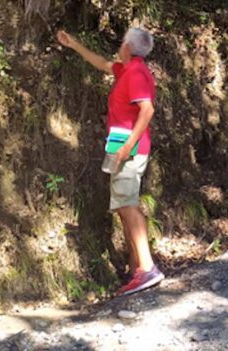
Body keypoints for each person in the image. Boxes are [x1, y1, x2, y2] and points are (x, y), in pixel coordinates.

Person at [56, 27, 164, 295]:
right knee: (127, 205)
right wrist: (74, 44)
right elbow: (103, 64)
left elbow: (147, 109)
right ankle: (136, 268)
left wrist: (128, 146)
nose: (119, 46)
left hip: (128, 147)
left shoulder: (137, 73)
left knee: (127, 206)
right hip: (122, 145)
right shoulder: (127, 68)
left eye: (121, 42)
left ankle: (147, 269)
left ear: (127, 47)